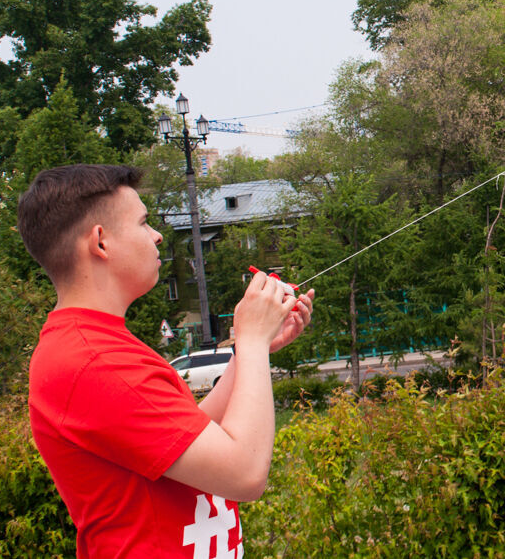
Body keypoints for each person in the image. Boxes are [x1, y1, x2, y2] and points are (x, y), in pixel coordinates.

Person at [20, 164, 315, 558]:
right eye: (143, 223)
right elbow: (245, 474)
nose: (158, 235)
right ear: (101, 243)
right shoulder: (93, 361)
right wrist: (253, 341)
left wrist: (250, 351)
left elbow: (187, 437)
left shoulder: (99, 346)